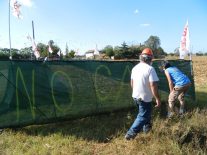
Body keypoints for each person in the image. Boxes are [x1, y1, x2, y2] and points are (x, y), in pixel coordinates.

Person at [125, 48, 161, 140]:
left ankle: (147, 130)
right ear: (150, 58)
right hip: (144, 98)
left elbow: (132, 83)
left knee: (146, 113)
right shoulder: (150, 69)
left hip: (136, 96)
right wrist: (157, 98)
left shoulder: (135, 68)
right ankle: (130, 134)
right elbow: (153, 85)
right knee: (143, 115)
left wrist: (136, 92)